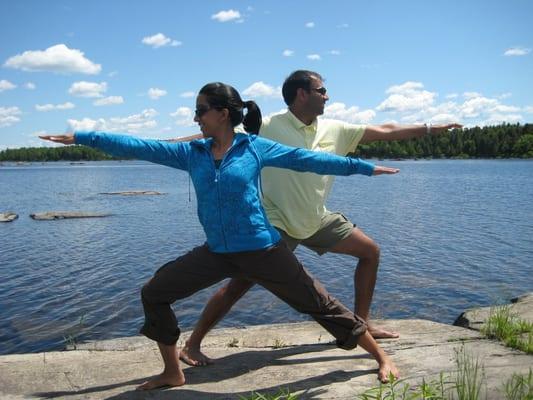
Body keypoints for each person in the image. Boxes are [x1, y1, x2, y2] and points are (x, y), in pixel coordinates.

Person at [40, 82, 400, 390]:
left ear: (223, 113)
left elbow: (309, 160)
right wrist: (83, 138)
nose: (195, 118)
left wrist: (363, 168)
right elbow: (140, 146)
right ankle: (172, 371)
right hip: (218, 252)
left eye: (201, 110)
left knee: (319, 304)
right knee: (155, 292)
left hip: (264, 250)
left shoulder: (254, 148)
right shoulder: (191, 153)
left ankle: (381, 358)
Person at [174, 70, 462, 367]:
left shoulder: (335, 129)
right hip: (277, 223)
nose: (327, 96)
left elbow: (386, 129)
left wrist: (431, 128)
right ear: (302, 94)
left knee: (370, 252)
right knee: (238, 285)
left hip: (317, 219)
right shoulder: (267, 127)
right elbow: (212, 137)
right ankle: (192, 344)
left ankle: (363, 323)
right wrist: (168, 145)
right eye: (321, 90)